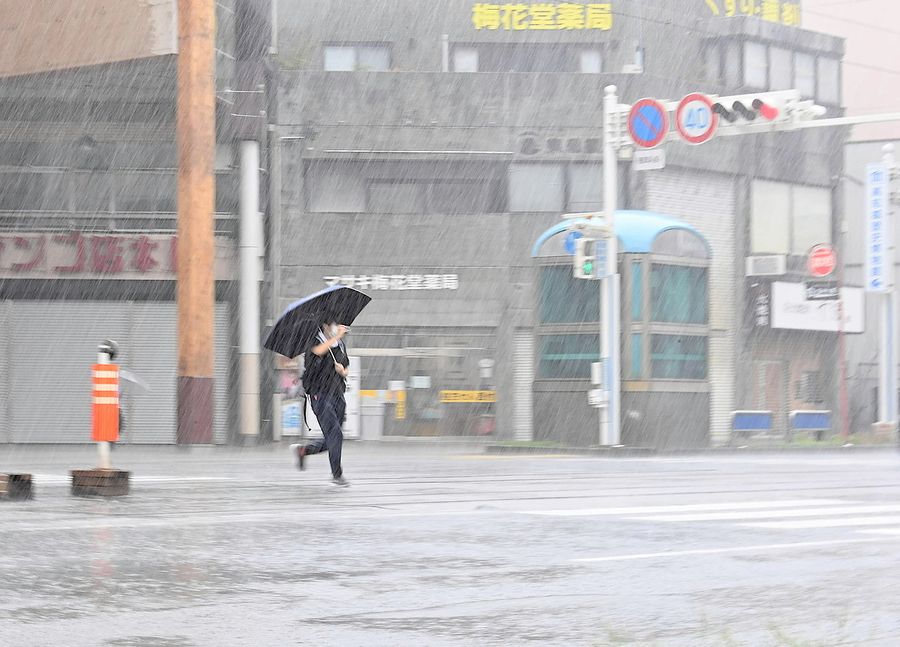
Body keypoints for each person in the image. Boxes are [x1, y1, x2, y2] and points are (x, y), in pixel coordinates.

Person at [290, 316, 351, 487]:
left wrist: (342, 371)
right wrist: (337, 336)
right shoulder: (314, 340)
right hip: (320, 395)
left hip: (338, 394)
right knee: (335, 434)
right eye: (334, 324)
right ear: (325, 325)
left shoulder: (339, 345)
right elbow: (318, 351)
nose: (337, 327)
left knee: (333, 437)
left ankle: (303, 450)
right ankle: (337, 474)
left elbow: (346, 366)